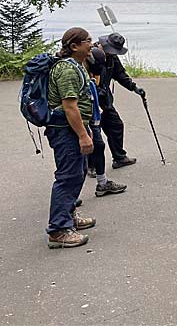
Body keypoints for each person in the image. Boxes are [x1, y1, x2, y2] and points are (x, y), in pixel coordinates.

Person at [45, 27, 97, 248]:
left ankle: (68, 217)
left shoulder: (78, 66)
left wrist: (86, 128)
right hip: (65, 131)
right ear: (74, 46)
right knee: (67, 177)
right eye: (88, 41)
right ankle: (58, 230)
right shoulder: (67, 70)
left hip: (74, 129)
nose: (92, 44)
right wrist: (83, 136)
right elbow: (70, 107)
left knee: (77, 173)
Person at [96, 33, 144, 168]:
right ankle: (92, 165)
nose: (112, 53)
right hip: (91, 102)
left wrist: (134, 87)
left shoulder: (112, 57)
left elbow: (120, 74)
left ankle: (119, 157)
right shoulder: (90, 56)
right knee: (94, 133)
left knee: (116, 125)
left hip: (105, 100)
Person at [85, 47, 127, 196]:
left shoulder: (108, 59)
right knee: (91, 144)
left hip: (100, 107)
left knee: (111, 131)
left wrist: (133, 87)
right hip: (87, 113)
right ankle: (91, 169)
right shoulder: (87, 63)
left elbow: (120, 75)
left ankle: (116, 162)